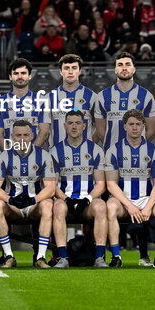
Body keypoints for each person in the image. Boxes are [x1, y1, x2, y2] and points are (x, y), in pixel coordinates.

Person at [105, 110, 155, 268]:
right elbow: (111, 184)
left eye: (137, 124)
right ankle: (116, 257)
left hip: (146, 199)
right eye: (131, 124)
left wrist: (148, 206)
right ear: (124, 127)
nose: (134, 127)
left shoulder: (153, 150)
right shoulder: (114, 150)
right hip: (123, 201)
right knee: (110, 206)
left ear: (143, 126)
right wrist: (129, 206)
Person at [0, 120, 58, 268]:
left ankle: (41, 257)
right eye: (18, 135)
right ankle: (9, 256)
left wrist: (33, 200)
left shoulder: (44, 156)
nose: (22, 139)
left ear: (32, 136)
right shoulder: (3, 157)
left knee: (48, 204)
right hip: (13, 206)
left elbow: (51, 188)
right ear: (12, 137)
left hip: (34, 205)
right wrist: (10, 200)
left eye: (26, 135)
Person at [49, 111, 108, 268]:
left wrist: (87, 199)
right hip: (65, 200)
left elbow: (101, 184)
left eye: (77, 123)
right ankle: (63, 258)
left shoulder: (95, 150)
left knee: (101, 206)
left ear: (84, 126)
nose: (74, 126)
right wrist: (65, 199)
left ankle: (99, 258)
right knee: (58, 208)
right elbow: (52, 184)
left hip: (87, 202)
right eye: (70, 123)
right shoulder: (55, 151)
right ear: (64, 126)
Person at [92, 52, 155, 150]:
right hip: (111, 156)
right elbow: (101, 131)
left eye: (128, 64)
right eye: (120, 65)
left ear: (134, 69)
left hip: (139, 155)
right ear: (115, 70)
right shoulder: (103, 96)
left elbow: (151, 131)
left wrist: (137, 148)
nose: (124, 68)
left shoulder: (146, 95)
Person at [0, 58, 51, 149]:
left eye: (23, 73)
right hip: (9, 157)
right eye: (16, 73)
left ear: (29, 76)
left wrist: (31, 154)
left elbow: (44, 132)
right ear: (10, 76)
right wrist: (9, 155)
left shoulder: (41, 100)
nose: (20, 77)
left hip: (34, 158)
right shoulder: (0, 102)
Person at [48, 54, 95, 147]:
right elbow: (45, 129)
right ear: (60, 72)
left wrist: (90, 145)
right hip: (57, 155)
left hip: (86, 154)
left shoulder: (92, 96)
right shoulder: (49, 97)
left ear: (80, 71)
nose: (70, 71)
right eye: (66, 68)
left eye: (74, 68)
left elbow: (100, 126)